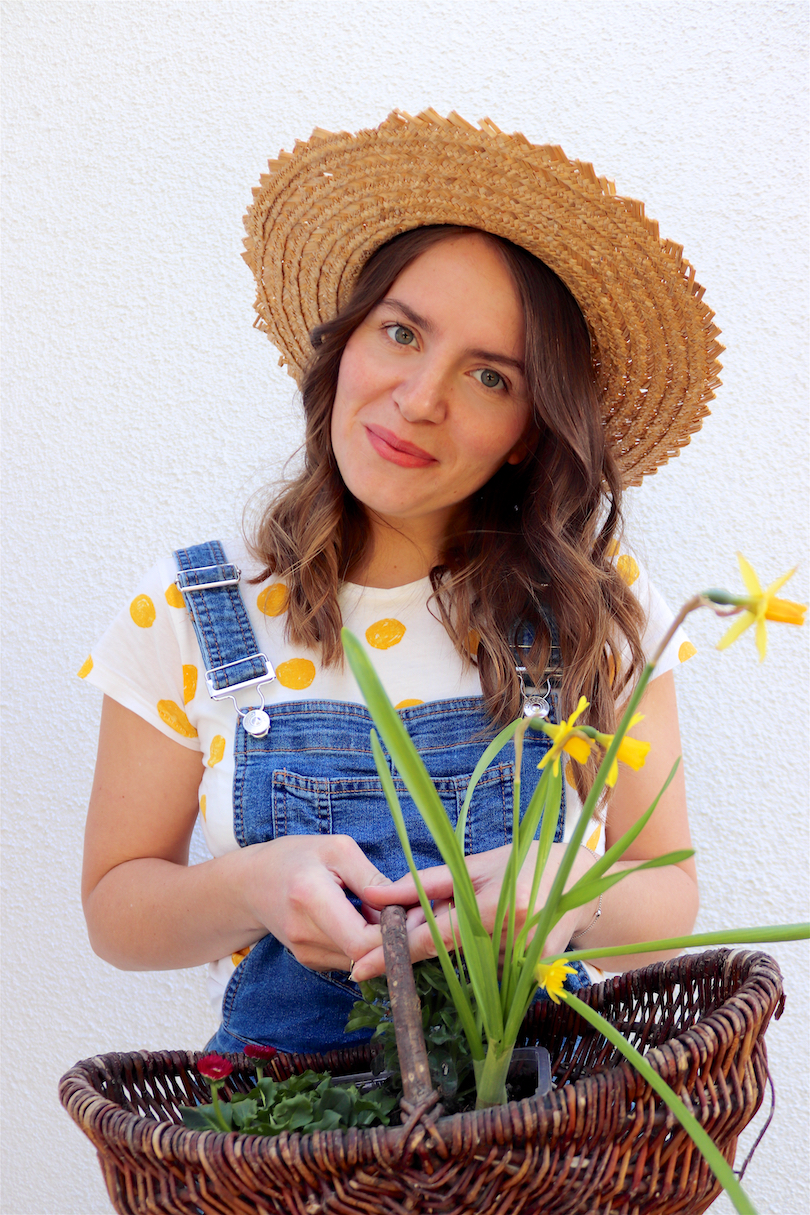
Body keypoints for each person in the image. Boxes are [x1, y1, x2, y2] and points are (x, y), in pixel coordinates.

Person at [79, 111, 718, 1056]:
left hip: (543, 1138)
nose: (421, 399)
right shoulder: (189, 613)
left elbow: (668, 897)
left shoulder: (597, 607)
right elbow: (115, 909)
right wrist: (250, 885)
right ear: (344, 345)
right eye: (401, 332)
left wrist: (565, 899)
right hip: (280, 1161)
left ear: (531, 431)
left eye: (491, 376)